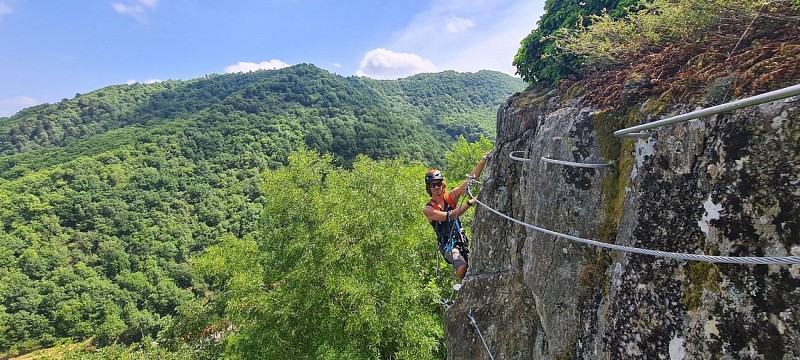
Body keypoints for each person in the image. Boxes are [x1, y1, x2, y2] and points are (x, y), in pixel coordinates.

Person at [422, 153, 489, 283]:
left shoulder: (450, 198)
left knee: (473, 268)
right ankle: (463, 292)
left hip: (461, 241)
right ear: (428, 188)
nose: (436, 187)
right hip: (448, 246)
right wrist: (470, 202)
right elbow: (450, 216)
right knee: (461, 265)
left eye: (438, 184)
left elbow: (469, 182)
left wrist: (483, 161)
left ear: (443, 184)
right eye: (432, 185)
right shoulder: (429, 209)